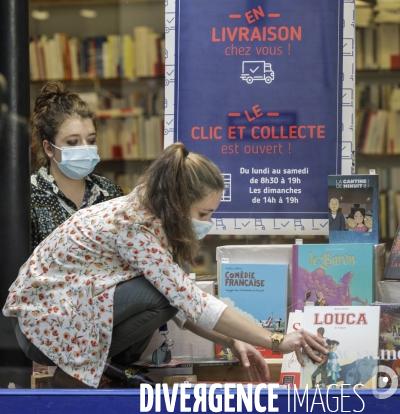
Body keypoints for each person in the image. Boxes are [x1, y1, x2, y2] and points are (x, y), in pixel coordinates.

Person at [3, 142, 328, 389]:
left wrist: (232, 340)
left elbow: (184, 306)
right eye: (203, 214)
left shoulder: (148, 210)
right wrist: (276, 340)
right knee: (162, 297)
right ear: (176, 203)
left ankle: (99, 372)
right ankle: (80, 378)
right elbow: (188, 300)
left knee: (165, 296)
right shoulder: (136, 226)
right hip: (40, 330)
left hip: (57, 319)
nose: (208, 223)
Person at [30, 81, 124, 251]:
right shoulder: (28, 197)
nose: (85, 148)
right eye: (73, 142)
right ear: (49, 148)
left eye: (91, 141)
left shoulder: (110, 192)